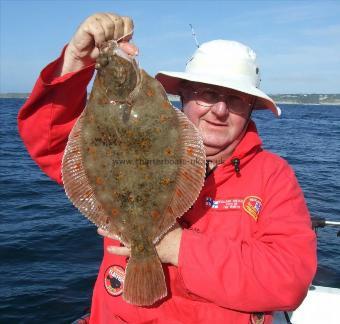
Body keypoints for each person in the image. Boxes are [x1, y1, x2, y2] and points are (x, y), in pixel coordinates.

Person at [18, 12, 317, 324]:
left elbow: (290, 278)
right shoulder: (116, 138)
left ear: (251, 108)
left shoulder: (272, 175)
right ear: (183, 95)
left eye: (236, 99)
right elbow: (49, 138)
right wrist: (76, 61)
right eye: (208, 94)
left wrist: (178, 247)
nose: (219, 110)